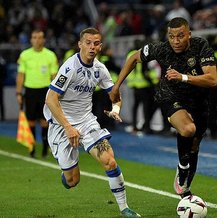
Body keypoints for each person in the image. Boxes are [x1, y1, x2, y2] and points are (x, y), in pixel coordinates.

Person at [110, 17, 217, 198]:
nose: (175, 41)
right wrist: (116, 86)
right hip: (170, 96)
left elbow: (212, 79)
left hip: (199, 101)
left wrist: (182, 77)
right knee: (187, 128)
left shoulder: (201, 46)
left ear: (189, 35)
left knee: (194, 147)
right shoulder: (161, 49)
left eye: (180, 36)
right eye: (172, 36)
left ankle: (185, 186)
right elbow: (133, 58)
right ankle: (183, 168)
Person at [43, 27, 141, 217]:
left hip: (87, 122)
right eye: (88, 43)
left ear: (100, 47)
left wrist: (116, 110)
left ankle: (124, 208)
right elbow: (51, 99)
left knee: (109, 161)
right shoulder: (69, 67)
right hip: (61, 124)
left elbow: (115, 95)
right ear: (80, 45)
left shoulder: (100, 69)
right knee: (73, 181)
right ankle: (67, 174)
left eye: (96, 43)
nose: (92, 47)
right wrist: (68, 127)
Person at [16, 29, 59, 158]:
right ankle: (32, 147)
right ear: (31, 40)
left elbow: (54, 76)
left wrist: (56, 94)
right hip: (30, 91)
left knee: (45, 121)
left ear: (44, 40)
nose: (37, 40)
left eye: (39, 37)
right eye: (34, 37)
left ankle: (46, 148)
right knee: (30, 121)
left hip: (45, 91)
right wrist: (18, 93)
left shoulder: (50, 55)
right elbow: (20, 75)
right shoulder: (25, 55)